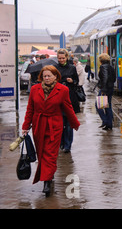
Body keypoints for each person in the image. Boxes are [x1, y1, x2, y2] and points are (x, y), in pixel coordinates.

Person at [21, 65, 80, 196]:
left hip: (54, 126)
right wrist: (25, 126)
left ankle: (46, 181)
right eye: (44, 76)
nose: (46, 78)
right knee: (42, 153)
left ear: (55, 76)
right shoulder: (35, 89)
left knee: (50, 154)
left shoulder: (63, 89)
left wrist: (74, 123)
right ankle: (49, 175)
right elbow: (30, 109)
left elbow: (68, 108)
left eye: (49, 76)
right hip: (39, 125)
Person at [55, 49, 80, 152]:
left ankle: (67, 145)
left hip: (70, 98)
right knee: (60, 124)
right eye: (59, 58)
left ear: (66, 57)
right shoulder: (54, 68)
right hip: (57, 98)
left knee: (69, 124)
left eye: (63, 58)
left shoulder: (72, 68)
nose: (61, 60)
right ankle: (61, 143)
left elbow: (77, 82)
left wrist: (72, 81)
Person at [96, 53, 116, 130]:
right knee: (108, 106)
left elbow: (105, 78)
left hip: (105, 89)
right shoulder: (111, 67)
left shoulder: (103, 67)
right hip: (110, 88)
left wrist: (103, 89)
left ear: (100, 60)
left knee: (98, 105)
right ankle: (109, 125)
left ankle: (105, 121)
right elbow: (113, 78)